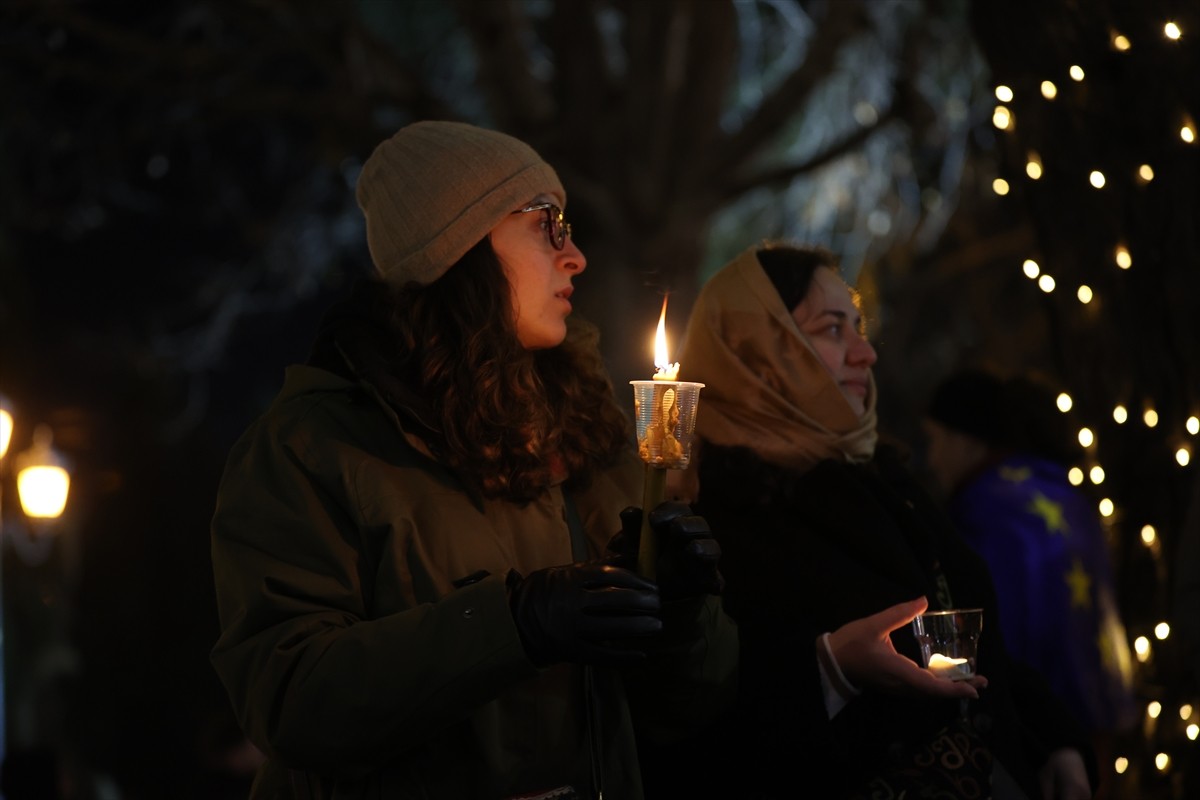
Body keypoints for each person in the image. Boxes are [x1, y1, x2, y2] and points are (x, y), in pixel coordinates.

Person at [209, 120, 736, 799]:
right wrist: (511, 624)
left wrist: (681, 609)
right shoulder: (313, 449)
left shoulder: (578, 431)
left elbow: (686, 710)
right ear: (456, 247)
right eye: (548, 224)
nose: (574, 256)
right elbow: (289, 699)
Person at [675, 241, 1095, 799]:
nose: (864, 353)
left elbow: (960, 634)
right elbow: (704, 727)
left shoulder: (880, 477)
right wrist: (830, 670)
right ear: (756, 354)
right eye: (831, 330)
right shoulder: (713, 519)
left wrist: (1050, 739)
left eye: (858, 327)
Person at [923, 367, 1138, 757]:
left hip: (1041, 734)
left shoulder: (981, 511)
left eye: (934, 440)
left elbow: (990, 629)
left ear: (967, 438)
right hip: (1097, 708)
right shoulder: (1062, 490)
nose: (931, 459)